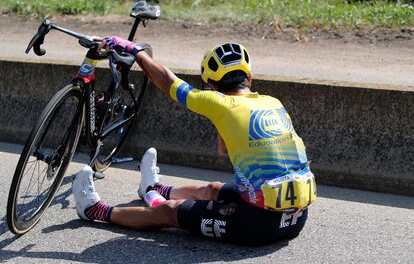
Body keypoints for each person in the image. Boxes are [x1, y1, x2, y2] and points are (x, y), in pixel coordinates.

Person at [72, 37, 316, 245]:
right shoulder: (273, 102)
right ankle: (154, 189)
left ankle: (96, 211)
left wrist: (135, 51)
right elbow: (223, 149)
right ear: (249, 77)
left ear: (211, 85)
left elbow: (169, 83)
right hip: (296, 220)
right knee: (213, 189)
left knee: (169, 211)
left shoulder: (219, 103)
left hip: (256, 226)